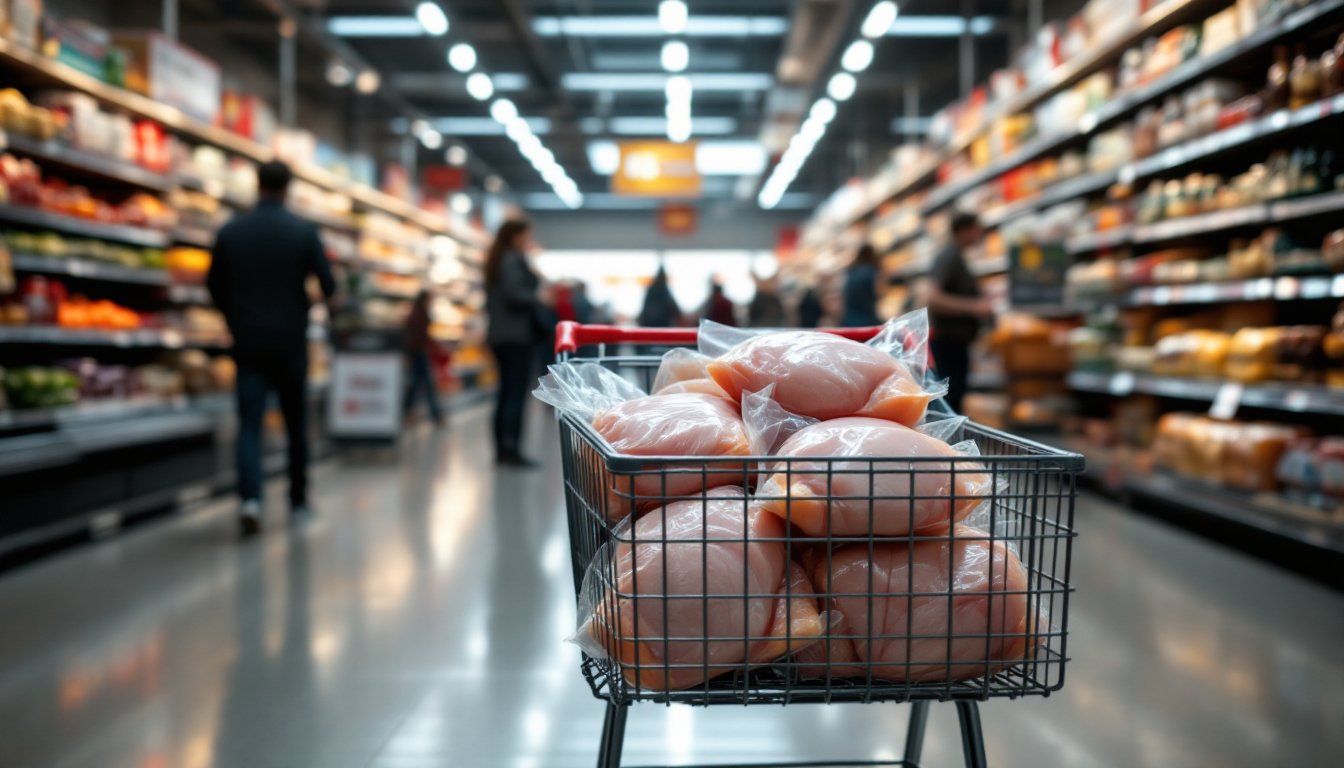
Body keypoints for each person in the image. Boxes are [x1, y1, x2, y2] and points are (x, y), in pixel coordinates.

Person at [207, 160, 335, 535]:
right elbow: (328, 285)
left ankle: (251, 500)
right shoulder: (303, 232)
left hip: (247, 340)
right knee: (296, 423)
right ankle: (298, 499)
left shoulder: (231, 231)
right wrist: (306, 303)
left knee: (249, 423)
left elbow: (213, 285)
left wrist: (234, 316)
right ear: (287, 188)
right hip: (291, 341)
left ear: (257, 184)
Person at [485, 219, 544, 468]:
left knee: (505, 393)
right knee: (515, 395)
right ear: (515, 236)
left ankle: (503, 448)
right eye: (526, 235)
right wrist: (539, 297)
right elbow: (514, 295)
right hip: (516, 337)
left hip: (501, 336)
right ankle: (512, 450)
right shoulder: (511, 260)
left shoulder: (498, 259)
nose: (528, 240)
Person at [927, 212, 994, 413]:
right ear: (964, 230)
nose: (980, 233)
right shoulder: (949, 257)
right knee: (950, 401)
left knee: (954, 399)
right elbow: (933, 298)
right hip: (948, 343)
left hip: (954, 343)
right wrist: (974, 306)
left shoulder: (956, 257)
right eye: (976, 229)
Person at [402, 289, 443, 426]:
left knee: (416, 384)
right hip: (418, 353)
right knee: (425, 384)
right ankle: (435, 414)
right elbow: (419, 337)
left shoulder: (416, 313)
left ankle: (409, 412)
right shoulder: (420, 314)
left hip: (416, 352)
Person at [842, 244, 882, 327]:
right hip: (867, 317)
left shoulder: (852, 271)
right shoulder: (870, 271)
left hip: (850, 317)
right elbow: (878, 293)